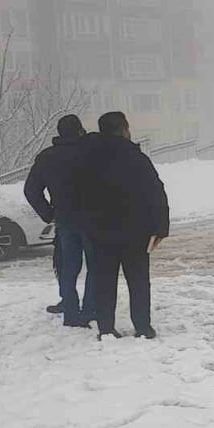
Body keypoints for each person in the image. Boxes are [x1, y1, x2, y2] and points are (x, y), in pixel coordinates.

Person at [73, 111, 170, 340]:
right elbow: (156, 192)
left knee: (104, 281)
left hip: (99, 233)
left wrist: (84, 224)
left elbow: (75, 195)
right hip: (136, 232)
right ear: (123, 129)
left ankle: (106, 328)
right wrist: (160, 228)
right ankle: (143, 327)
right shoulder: (136, 158)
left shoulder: (86, 159)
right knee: (138, 281)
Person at [24, 114, 96, 327]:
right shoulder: (91, 153)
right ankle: (89, 309)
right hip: (93, 219)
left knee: (68, 267)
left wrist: (49, 213)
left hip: (64, 220)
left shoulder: (47, 157)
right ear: (80, 130)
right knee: (95, 266)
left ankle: (70, 311)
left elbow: (31, 190)